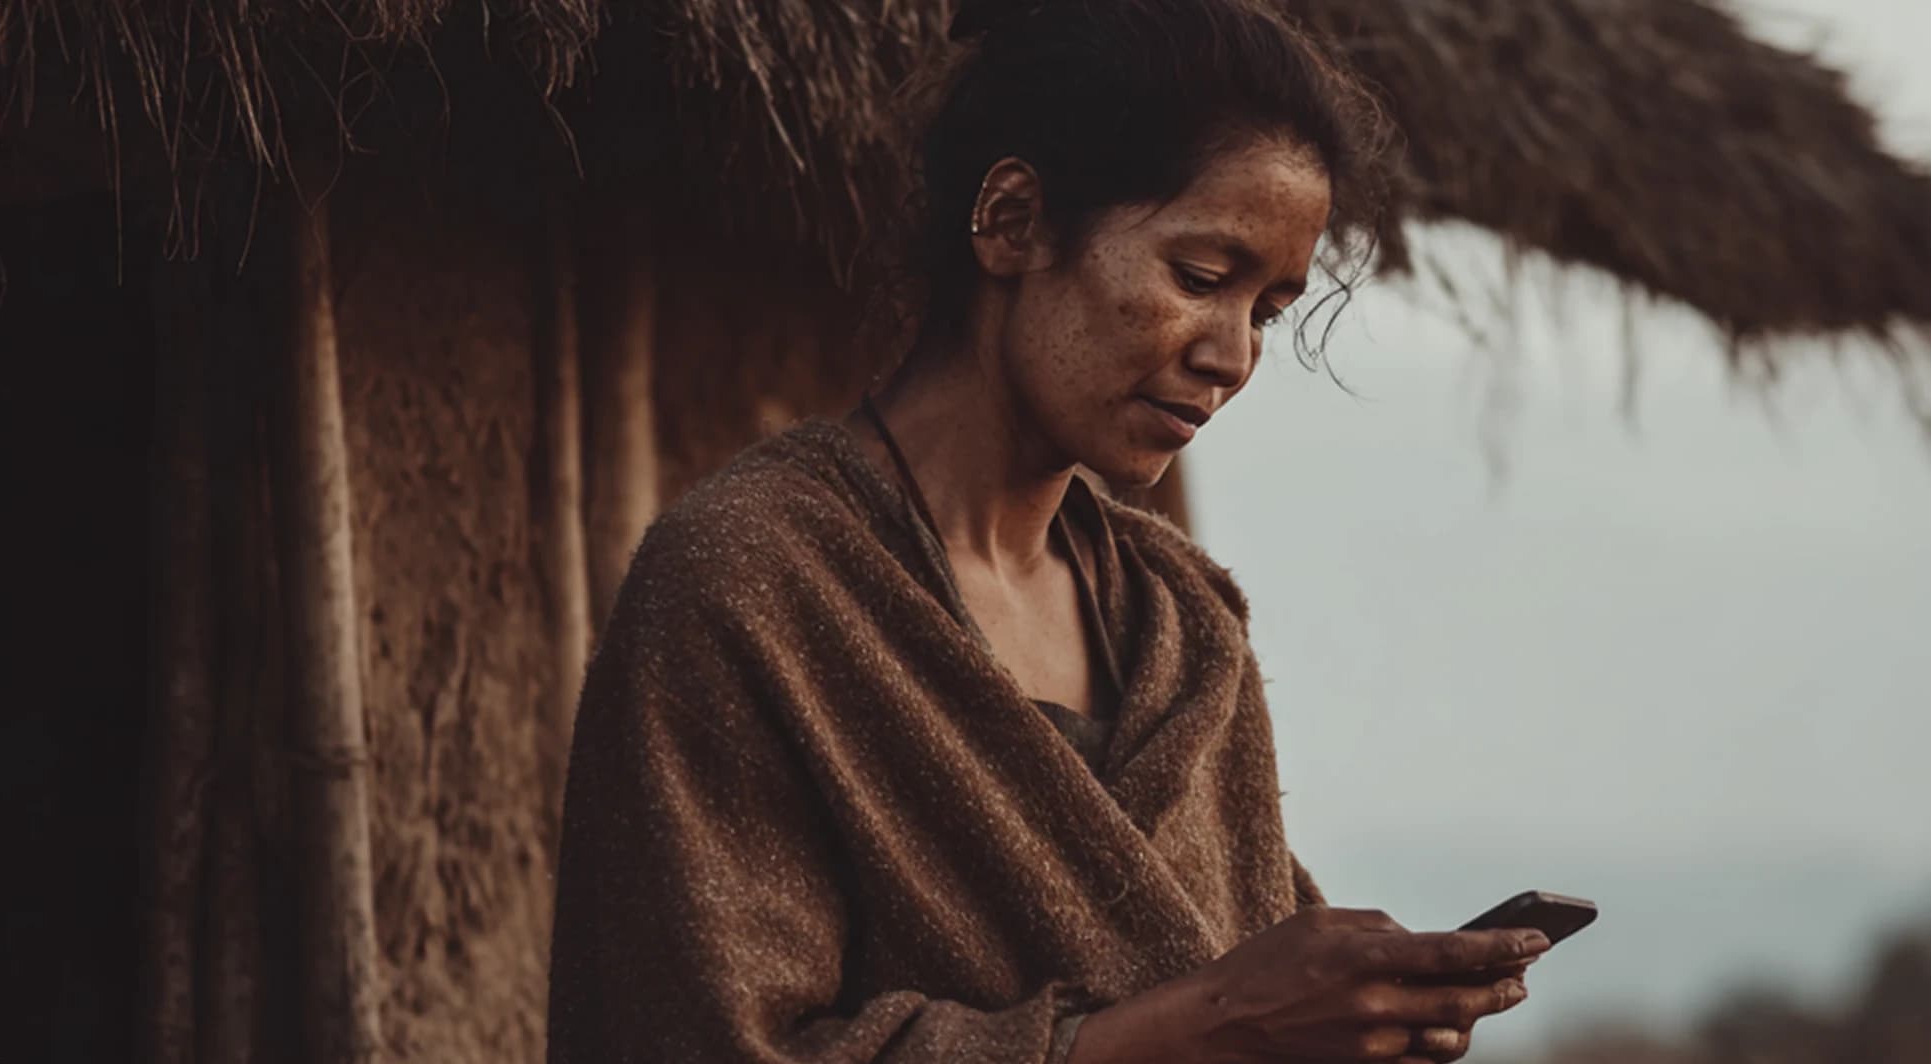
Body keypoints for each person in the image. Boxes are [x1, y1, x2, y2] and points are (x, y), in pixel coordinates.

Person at [544, 1, 1551, 1061]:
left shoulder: (1183, 628)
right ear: (1013, 220)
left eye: (1264, 311)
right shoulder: (750, 583)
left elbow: (1242, 969)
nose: (1231, 354)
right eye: (1199, 278)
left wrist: (1355, 1015)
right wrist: (1206, 1024)